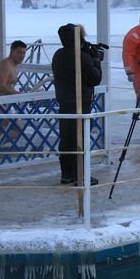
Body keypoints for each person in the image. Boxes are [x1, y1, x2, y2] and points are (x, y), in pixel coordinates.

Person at [52, 24, 102, 185]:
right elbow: (95, 78)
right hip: (80, 103)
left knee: (66, 139)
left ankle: (67, 173)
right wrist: (95, 60)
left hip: (64, 102)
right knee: (79, 139)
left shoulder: (58, 55)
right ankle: (81, 175)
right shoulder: (81, 57)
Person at [0, 40, 27, 141]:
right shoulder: (5, 65)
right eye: (19, 52)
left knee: (13, 128)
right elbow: (0, 85)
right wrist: (17, 95)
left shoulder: (13, 65)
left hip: (4, 104)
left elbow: (8, 85)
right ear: (12, 51)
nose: (22, 55)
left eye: (24, 53)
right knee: (17, 128)